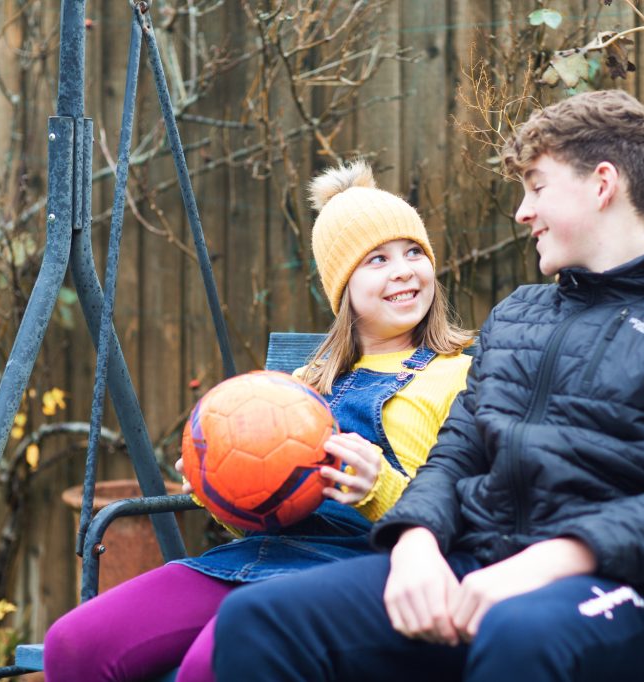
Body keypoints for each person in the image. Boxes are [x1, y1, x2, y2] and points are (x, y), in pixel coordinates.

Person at [210, 89, 644, 682]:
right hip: (477, 562)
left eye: (536, 187)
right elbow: (456, 452)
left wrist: (543, 564)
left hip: (617, 587)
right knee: (259, 619)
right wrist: (415, 544)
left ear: (602, 184)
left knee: (518, 636)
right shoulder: (521, 314)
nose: (522, 211)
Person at [42, 160, 474, 681]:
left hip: (367, 564)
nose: (404, 270)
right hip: (264, 554)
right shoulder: (299, 383)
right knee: (74, 645)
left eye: (414, 253)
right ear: (342, 287)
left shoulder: (464, 375)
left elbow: (472, 518)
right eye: (377, 259)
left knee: (211, 663)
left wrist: (377, 485)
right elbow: (265, 512)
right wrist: (220, 488)